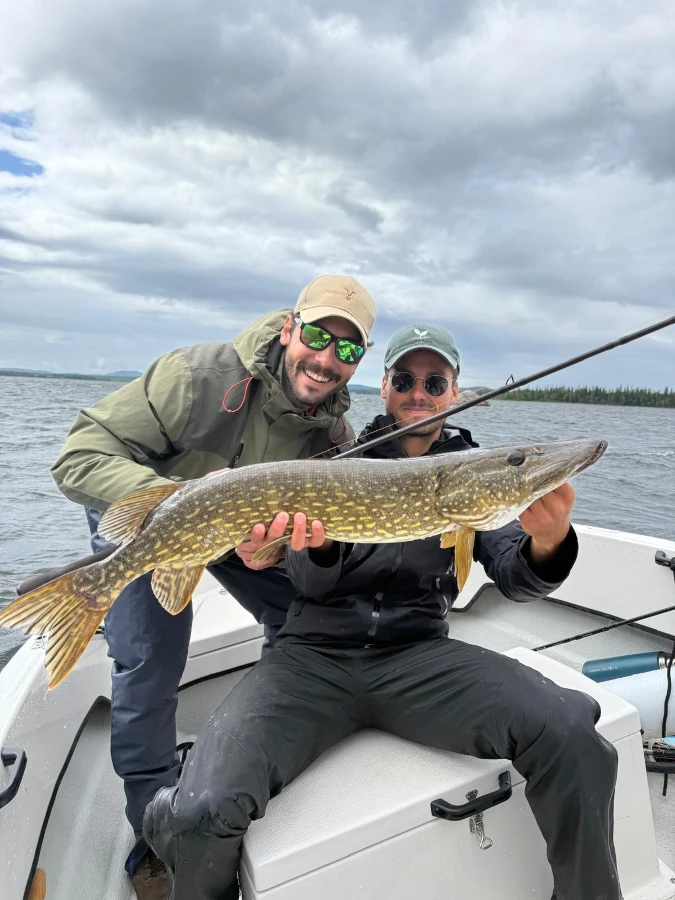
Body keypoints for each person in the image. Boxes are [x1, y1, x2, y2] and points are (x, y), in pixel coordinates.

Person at [144, 322, 621, 900]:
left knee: (571, 732)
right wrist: (319, 547)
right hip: (312, 660)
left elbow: (517, 578)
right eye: (405, 379)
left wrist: (549, 540)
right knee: (199, 809)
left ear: (454, 391)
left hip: (419, 659)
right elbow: (303, 582)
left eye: (434, 381)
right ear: (386, 387)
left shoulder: (475, 472)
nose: (419, 392)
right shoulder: (335, 459)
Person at [50, 275, 376, 899]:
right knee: (151, 654)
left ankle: (256, 746)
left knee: (307, 616)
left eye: (348, 349)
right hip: (149, 517)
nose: (327, 359)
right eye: (317, 337)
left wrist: (270, 546)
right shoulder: (197, 377)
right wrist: (178, 506)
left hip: (239, 531)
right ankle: (153, 826)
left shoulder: (333, 437)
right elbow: (80, 455)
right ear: (290, 329)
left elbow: (293, 535)